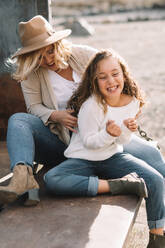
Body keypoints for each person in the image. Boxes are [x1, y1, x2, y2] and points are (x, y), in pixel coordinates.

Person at [0, 15, 164, 209]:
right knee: (19, 120)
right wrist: (56, 116)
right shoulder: (31, 74)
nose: (47, 59)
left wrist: (126, 110)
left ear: (58, 44)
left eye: (50, 51)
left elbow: (117, 76)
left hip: (103, 134)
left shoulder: (84, 55)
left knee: (151, 154)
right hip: (62, 140)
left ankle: (160, 223)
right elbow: (33, 108)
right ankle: (23, 179)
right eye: (39, 56)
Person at [44, 50, 165, 247]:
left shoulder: (131, 102)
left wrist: (127, 130)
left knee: (156, 180)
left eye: (115, 74)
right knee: (52, 179)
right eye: (103, 77)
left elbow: (123, 141)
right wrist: (109, 134)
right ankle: (115, 185)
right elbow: (89, 142)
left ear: (124, 75)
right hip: (82, 160)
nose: (111, 81)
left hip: (112, 157)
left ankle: (157, 237)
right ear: (94, 81)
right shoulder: (90, 106)